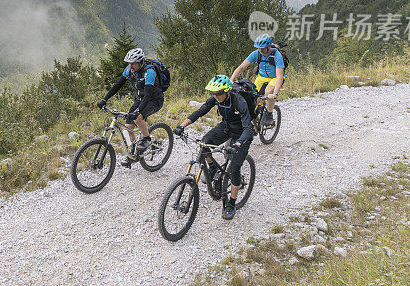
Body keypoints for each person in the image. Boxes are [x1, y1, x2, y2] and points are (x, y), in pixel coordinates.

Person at [172, 75, 252, 220]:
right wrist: (182, 126)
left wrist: (237, 144)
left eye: (219, 93)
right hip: (227, 127)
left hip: (242, 134)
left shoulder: (239, 101)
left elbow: (248, 128)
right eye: (213, 93)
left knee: (234, 168)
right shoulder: (215, 99)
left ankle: (231, 204)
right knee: (204, 144)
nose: (216, 96)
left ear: (227, 91)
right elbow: (200, 111)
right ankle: (213, 168)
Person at [97, 47, 164, 168]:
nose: (130, 66)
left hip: (154, 100)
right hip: (140, 99)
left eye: (133, 63)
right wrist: (104, 99)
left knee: (138, 118)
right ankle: (132, 154)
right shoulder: (129, 70)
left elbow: (148, 95)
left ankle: (147, 139)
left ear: (140, 62)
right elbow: (118, 85)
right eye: (129, 63)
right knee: (127, 128)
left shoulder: (150, 72)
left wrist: (138, 111)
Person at [230, 33, 285, 127]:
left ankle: (269, 115)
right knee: (253, 97)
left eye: (262, 48)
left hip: (275, 78)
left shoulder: (277, 55)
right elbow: (242, 67)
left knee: (268, 91)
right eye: (258, 48)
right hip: (261, 77)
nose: (260, 50)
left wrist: (275, 93)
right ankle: (255, 118)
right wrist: (232, 79)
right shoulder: (256, 53)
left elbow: (279, 76)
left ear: (268, 46)